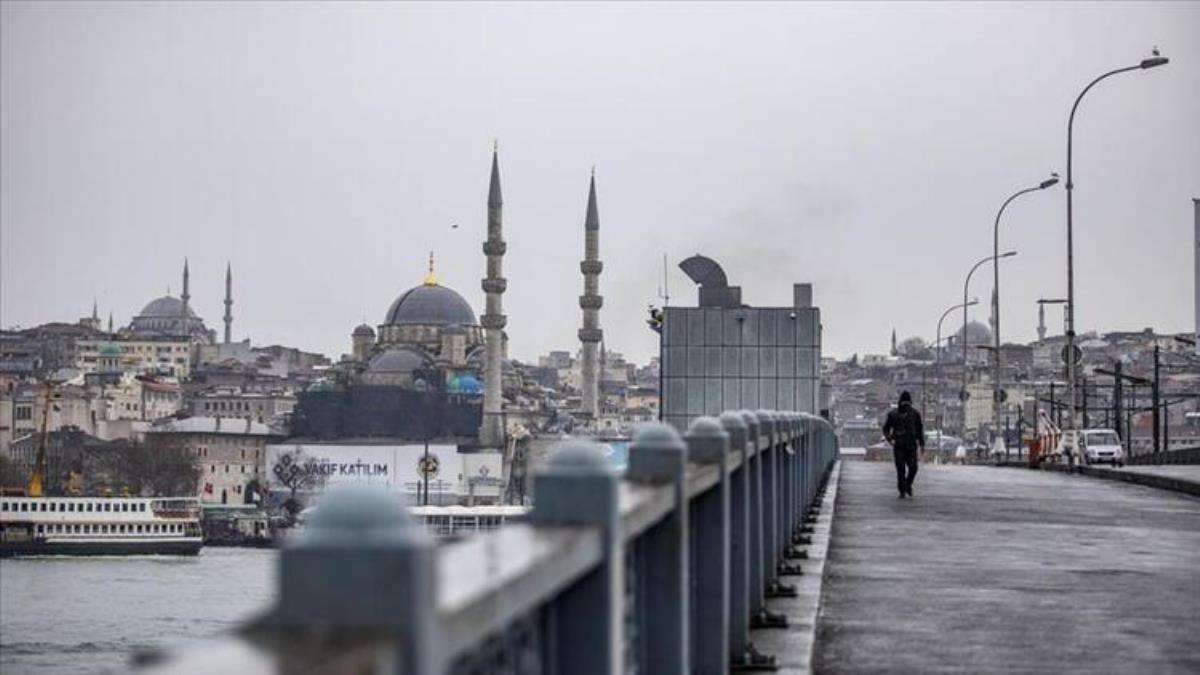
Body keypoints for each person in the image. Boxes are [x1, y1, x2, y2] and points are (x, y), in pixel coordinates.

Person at [882, 390, 924, 498]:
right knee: (900, 469)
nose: (906, 405)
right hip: (899, 445)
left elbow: (919, 429)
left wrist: (922, 443)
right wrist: (890, 438)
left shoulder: (915, 414)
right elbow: (886, 428)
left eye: (908, 403)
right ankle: (902, 490)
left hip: (911, 445)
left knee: (913, 467)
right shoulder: (893, 414)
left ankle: (907, 485)